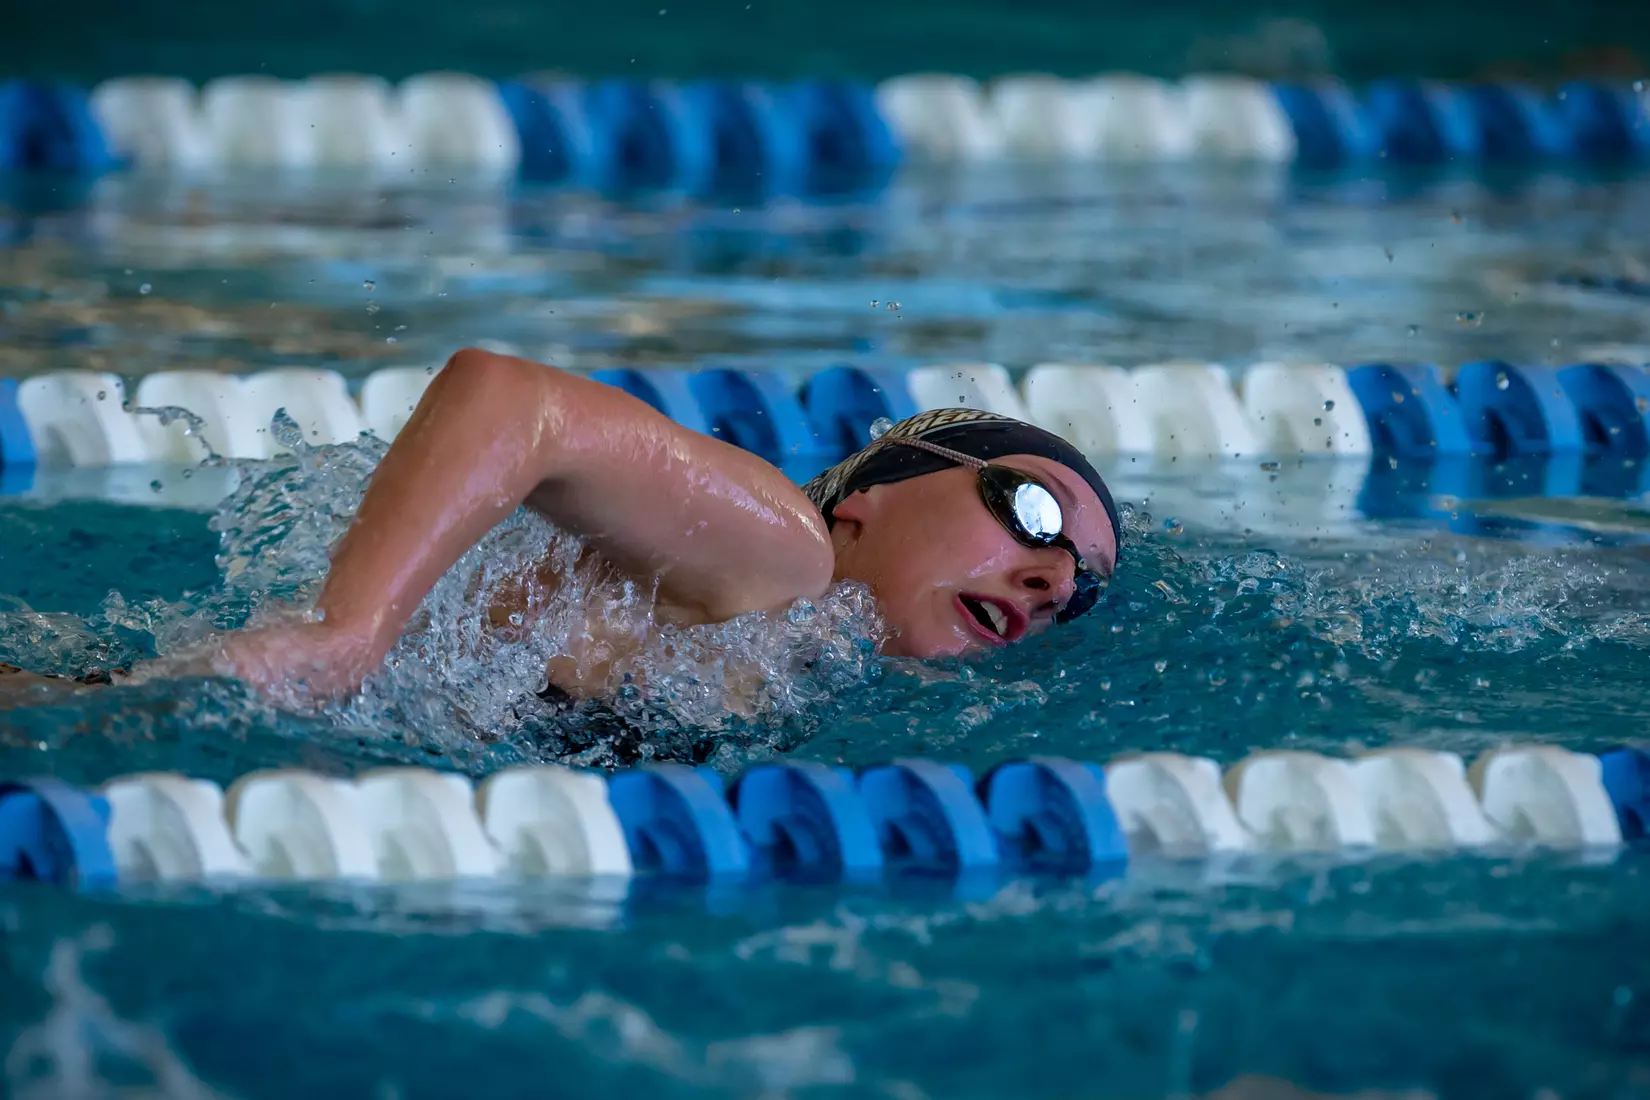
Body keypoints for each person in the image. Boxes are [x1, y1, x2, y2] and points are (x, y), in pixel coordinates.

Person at [2, 348, 1122, 709]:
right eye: (1029, 512)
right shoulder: (786, 550)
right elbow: (508, 397)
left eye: (1080, 583)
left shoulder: (805, 650)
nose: (1050, 576)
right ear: (868, 498)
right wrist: (348, 629)